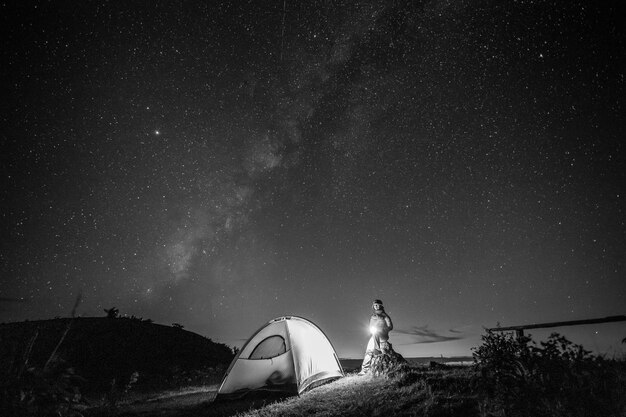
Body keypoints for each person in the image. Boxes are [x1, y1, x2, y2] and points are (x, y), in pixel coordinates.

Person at [358, 299, 393, 375]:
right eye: (374, 305)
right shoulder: (373, 316)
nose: (376, 306)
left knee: (375, 338)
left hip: (382, 336)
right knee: (368, 351)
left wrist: (383, 329)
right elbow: (370, 326)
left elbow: (390, 327)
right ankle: (364, 370)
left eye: (377, 305)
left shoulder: (385, 316)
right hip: (374, 335)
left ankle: (377, 350)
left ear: (381, 305)